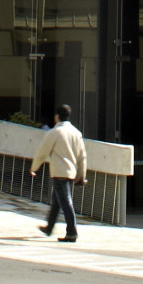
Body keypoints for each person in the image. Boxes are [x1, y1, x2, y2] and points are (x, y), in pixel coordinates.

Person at [33, 102, 89, 241]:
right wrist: (82, 175)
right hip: (71, 172)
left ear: (57, 117)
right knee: (57, 201)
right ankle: (49, 228)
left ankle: (72, 232)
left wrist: (34, 167)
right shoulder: (76, 133)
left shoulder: (55, 132)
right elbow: (82, 156)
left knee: (65, 202)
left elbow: (42, 152)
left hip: (59, 172)